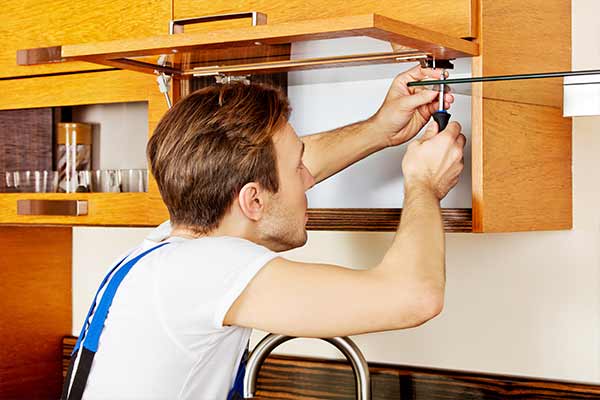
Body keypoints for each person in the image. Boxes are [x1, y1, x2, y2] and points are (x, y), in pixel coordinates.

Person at [64, 66, 465, 399]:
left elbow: (267, 169)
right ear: (253, 201)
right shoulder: (208, 268)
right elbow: (413, 297)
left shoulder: (171, 249)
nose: (308, 180)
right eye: (298, 170)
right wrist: (424, 185)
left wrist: (381, 129)